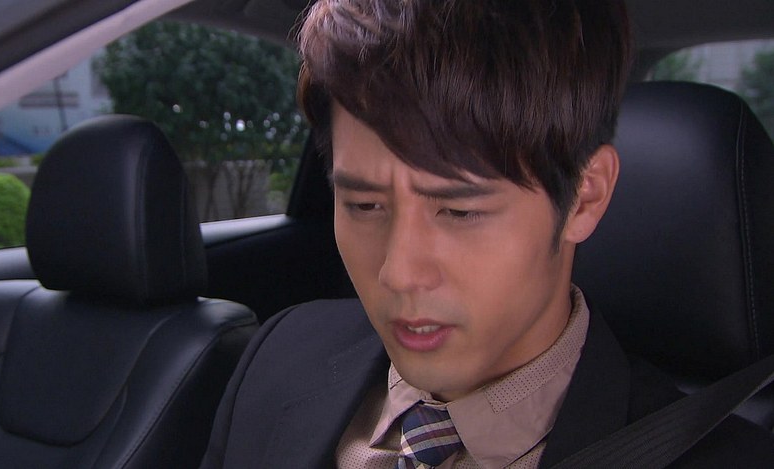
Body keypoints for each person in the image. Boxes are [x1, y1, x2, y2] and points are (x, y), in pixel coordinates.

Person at [200, 0, 774, 467]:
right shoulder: (277, 360)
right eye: (364, 204)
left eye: (459, 211)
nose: (398, 272)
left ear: (584, 197)